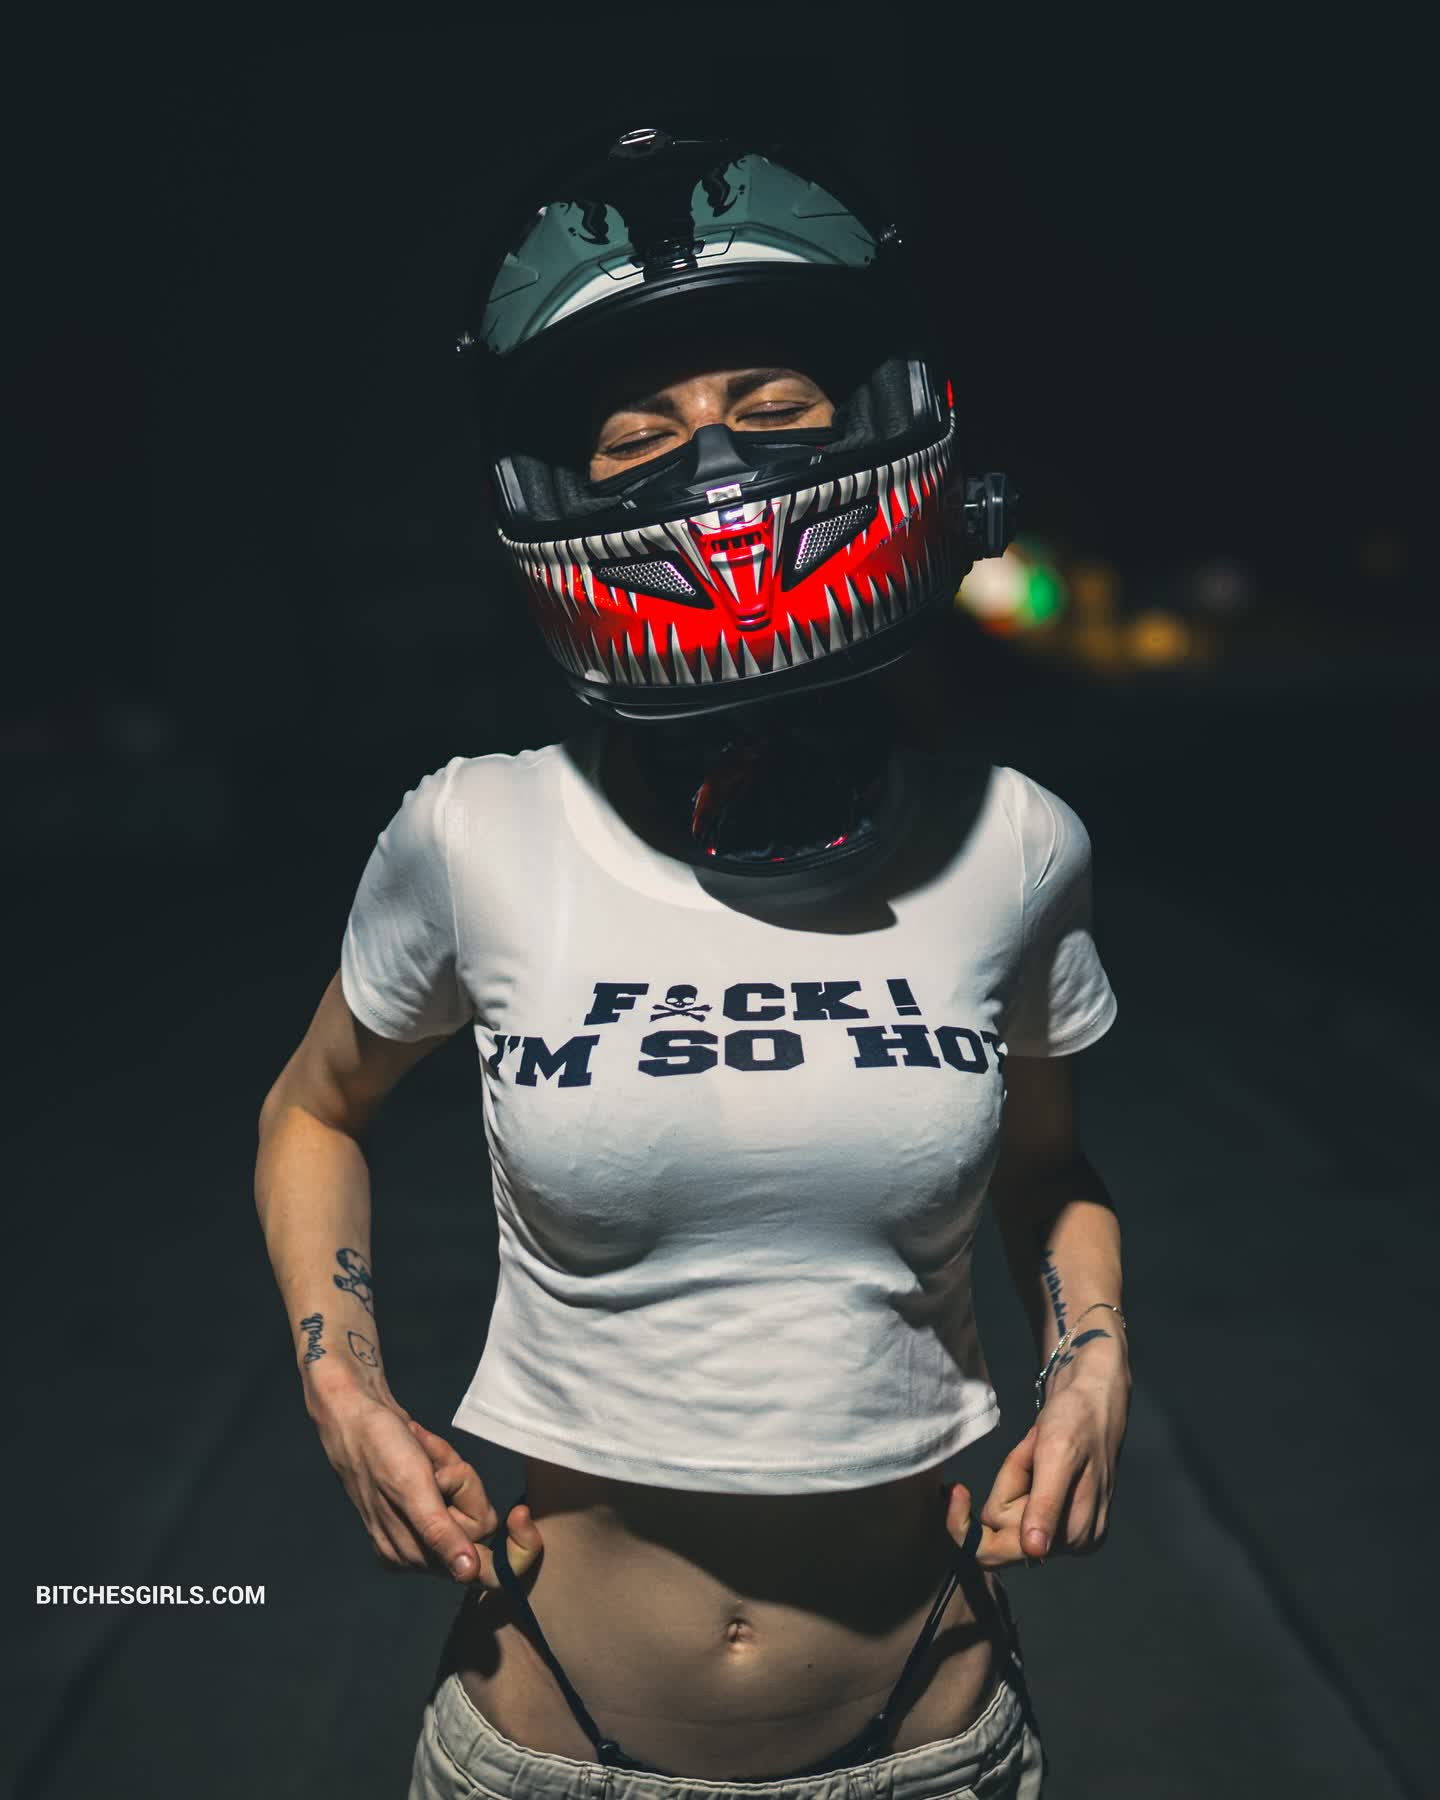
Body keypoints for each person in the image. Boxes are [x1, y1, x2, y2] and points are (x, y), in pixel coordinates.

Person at [255, 122, 1130, 1800]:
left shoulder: (1016, 843)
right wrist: (340, 1389)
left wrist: (1093, 1362)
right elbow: (313, 1111)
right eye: (639, 435)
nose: (715, 465)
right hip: (544, 1745)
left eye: (775, 410)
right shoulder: (476, 834)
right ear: (558, 492)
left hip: (933, 1744)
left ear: (877, 419)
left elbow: (1052, 1169)